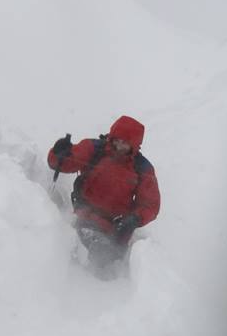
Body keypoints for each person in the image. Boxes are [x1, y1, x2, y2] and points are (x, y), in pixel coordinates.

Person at [47, 115, 160, 273]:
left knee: (105, 262)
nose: (119, 146)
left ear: (134, 145)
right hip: (83, 214)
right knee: (68, 242)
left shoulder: (142, 169)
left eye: (125, 143)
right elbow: (62, 163)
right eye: (117, 140)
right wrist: (57, 153)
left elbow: (150, 205)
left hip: (115, 228)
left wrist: (134, 219)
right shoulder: (94, 148)